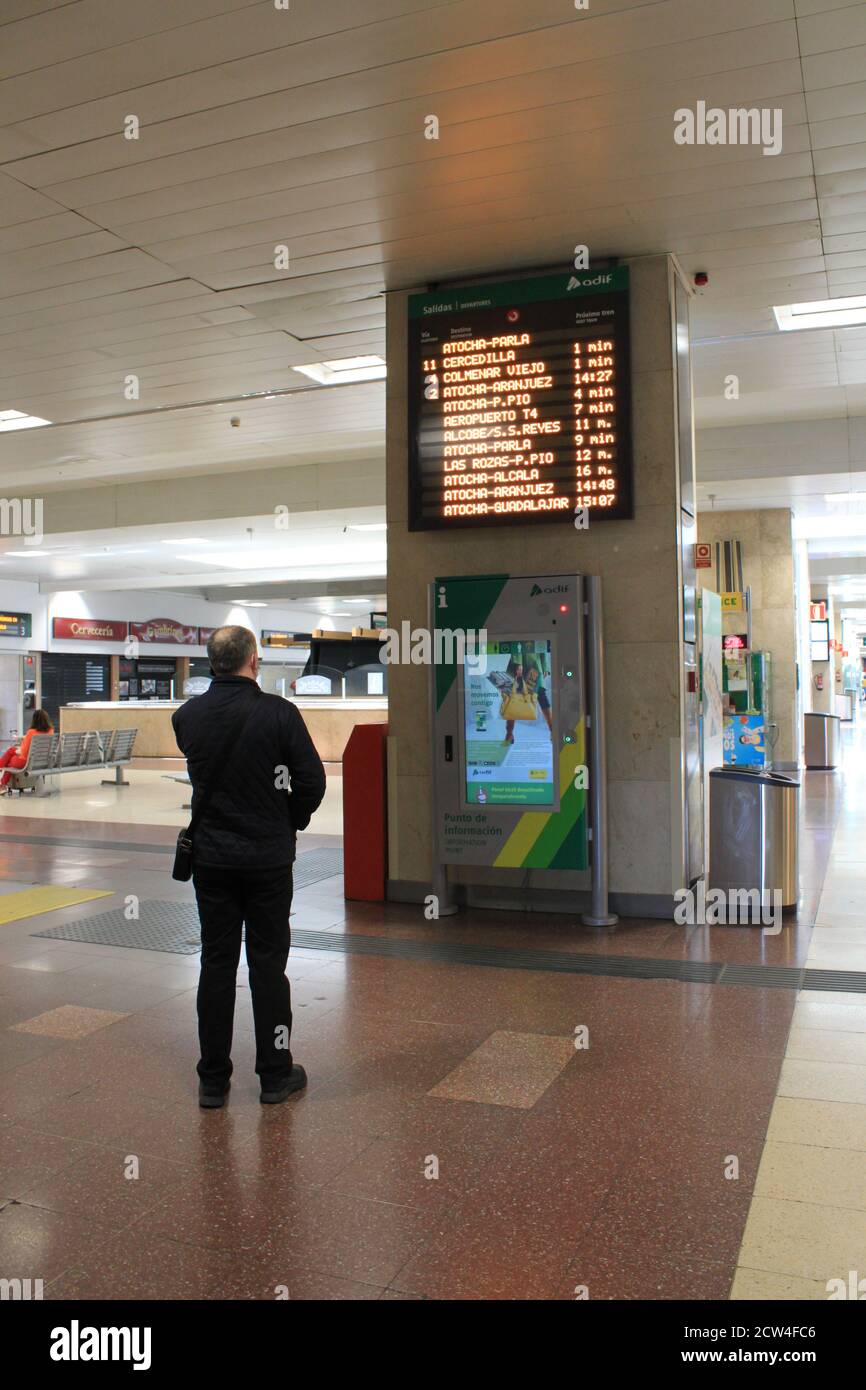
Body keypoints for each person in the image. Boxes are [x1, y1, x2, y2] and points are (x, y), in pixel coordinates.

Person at [172, 626, 326, 1110]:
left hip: (212, 861)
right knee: (268, 968)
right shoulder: (279, 714)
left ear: (211, 662)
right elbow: (311, 781)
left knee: (215, 965)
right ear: (254, 661)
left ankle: (213, 1081)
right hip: (267, 861)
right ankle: (275, 1074)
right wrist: (288, 819)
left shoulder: (187, 717)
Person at [0, 709, 53, 792]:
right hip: (42, 761)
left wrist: (18, 751)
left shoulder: (31, 732)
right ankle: (2, 785)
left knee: (9, 757)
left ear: (34, 720)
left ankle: (2, 784)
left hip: (26, 762)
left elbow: (24, 753)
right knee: (12, 751)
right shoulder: (50, 731)